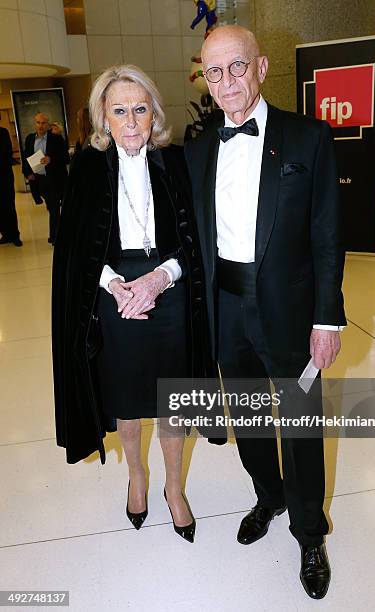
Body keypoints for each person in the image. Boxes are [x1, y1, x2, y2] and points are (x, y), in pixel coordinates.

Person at [185, 25, 346, 599]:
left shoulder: (308, 138)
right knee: (250, 417)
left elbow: (328, 234)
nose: (225, 82)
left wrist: (328, 318)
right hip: (226, 308)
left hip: (292, 309)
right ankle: (269, 495)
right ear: (204, 77)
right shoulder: (199, 147)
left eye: (236, 67)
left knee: (301, 423)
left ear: (260, 66)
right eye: (213, 71)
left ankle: (309, 532)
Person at [52, 64, 222, 544]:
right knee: (126, 403)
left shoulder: (176, 162)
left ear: (154, 115)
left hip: (168, 295)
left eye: (139, 110)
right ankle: (136, 477)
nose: (130, 121)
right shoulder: (86, 167)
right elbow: (74, 249)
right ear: (104, 118)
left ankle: (173, 487)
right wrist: (113, 284)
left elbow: (196, 245)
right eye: (119, 111)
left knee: (173, 400)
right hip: (113, 297)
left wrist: (158, 279)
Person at [22, 112, 69, 245]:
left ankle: (55, 237)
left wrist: (51, 159)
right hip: (39, 180)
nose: (40, 126)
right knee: (51, 207)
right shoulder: (30, 139)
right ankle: (57, 234)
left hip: (54, 179)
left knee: (54, 209)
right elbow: (26, 157)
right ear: (34, 123)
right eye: (38, 122)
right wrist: (27, 173)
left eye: (43, 123)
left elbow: (65, 157)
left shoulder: (55, 138)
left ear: (48, 125)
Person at [0, 125, 22, 246]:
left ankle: (14, 235)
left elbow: (6, 152)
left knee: (9, 205)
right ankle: (5, 234)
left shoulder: (3, 132)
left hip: (4, 176)